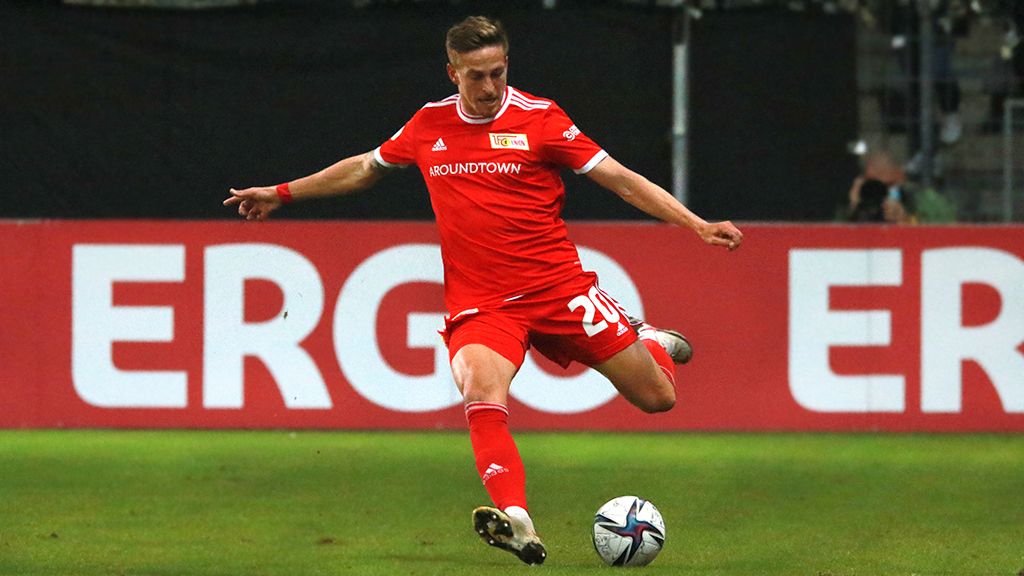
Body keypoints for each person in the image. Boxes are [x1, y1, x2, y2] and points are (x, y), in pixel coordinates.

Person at [225, 15, 742, 565]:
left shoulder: (541, 119)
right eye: (476, 75)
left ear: (507, 67)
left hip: (559, 290)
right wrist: (283, 192)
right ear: (452, 73)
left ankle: (652, 340)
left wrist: (696, 223)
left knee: (658, 398)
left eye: (497, 73)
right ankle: (517, 518)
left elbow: (618, 177)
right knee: (479, 390)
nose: (489, 86)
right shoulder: (428, 125)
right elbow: (363, 169)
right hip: (484, 303)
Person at [847, 152, 916, 224]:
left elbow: (925, 228)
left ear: (901, 178)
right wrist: (854, 207)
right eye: (872, 186)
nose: (877, 192)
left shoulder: (921, 200)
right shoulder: (858, 204)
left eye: (887, 185)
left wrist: (905, 220)